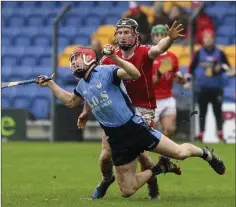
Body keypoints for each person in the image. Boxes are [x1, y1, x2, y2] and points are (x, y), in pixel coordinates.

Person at [36, 46, 225, 199]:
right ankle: (160, 168)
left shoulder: (107, 71)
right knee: (127, 191)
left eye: (77, 57)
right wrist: (51, 84)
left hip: (135, 129)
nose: (74, 62)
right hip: (116, 139)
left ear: (88, 57)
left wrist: (117, 59)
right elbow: (70, 101)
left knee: (180, 153)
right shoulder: (82, 86)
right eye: (72, 59)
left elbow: (134, 74)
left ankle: (206, 155)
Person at [78, 18, 185, 200]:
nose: (123, 36)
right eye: (120, 33)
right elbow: (95, 87)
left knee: (142, 155)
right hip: (118, 112)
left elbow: (160, 48)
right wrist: (86, 111)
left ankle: (154, 190)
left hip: (143, 108)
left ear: (135, 35)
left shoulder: (144, 51)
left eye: (127, 32)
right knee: (105, 157)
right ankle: (106, 180)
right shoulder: (106, 59)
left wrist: (170, 39)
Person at [185, 29, 232, 142]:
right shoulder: (198, 52)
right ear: (203, 39)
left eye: (210, 37)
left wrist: (220, 68)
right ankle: (201, 134)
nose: (208, 39)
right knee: (202, 112)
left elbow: (228, 68)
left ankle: (220, 134)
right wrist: (187, 81)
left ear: (213, 38)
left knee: (218, 112)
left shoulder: (220, 53)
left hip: (216, 88)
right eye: (206, 37)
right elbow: (190, 69)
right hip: (202, 87)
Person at [151, 24, 187, 137]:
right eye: (156, 35)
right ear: (152, 38)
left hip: (168, 98)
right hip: (152, 100)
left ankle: (164, 155)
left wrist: (181, 79)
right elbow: (148, 81)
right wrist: (156, 77)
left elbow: (179, 78)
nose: (159, 37)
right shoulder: (149, 55)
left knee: (170, 129)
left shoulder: (172, 57)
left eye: (162, 34)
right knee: (151, 131)